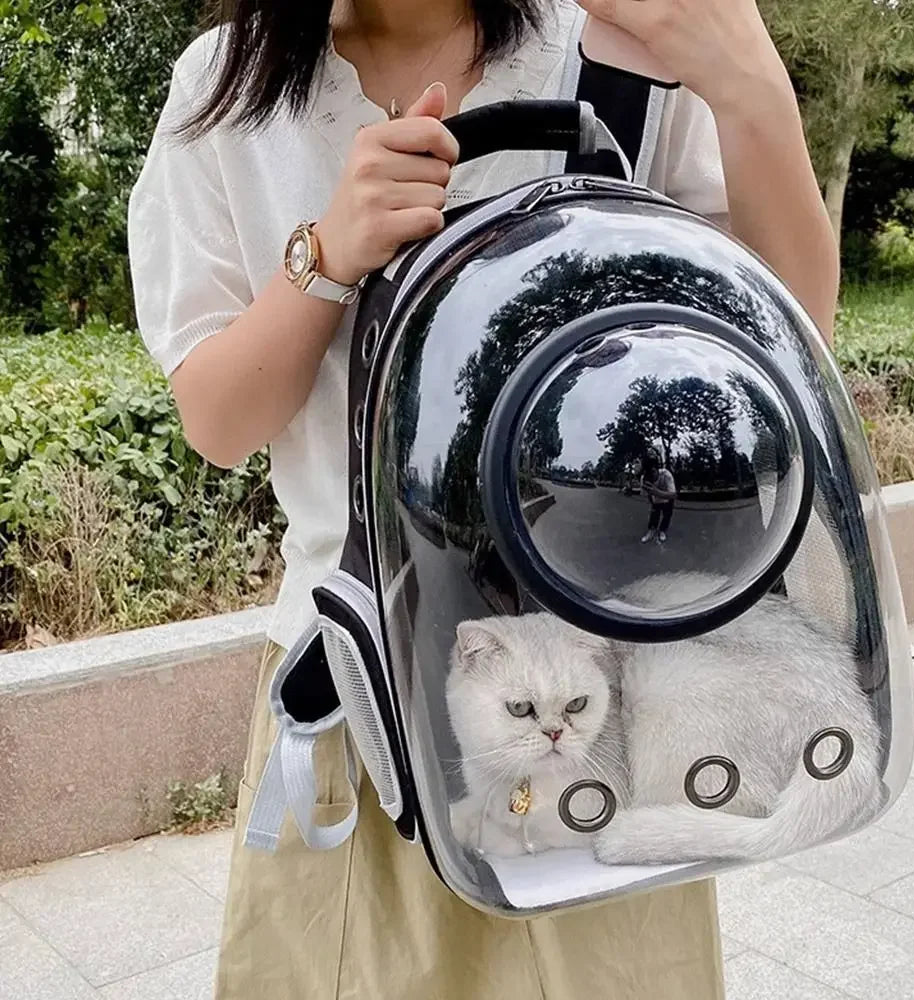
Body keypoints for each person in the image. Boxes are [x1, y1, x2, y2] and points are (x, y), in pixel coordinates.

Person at [127, 0, 839, 995]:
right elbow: (219, 422)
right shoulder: (226, 88)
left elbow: (790, 352)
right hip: (360, 700)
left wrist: (752, 89)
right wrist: (327, 254)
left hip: (603, 710)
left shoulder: (622, 44)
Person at [641, 456, 677, 544]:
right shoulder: (644, 479)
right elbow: (645, 495)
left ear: (657, 469)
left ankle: (662, 530)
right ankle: (651, 530)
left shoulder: (666, 474)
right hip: (656, 500)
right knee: (654, 515)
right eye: (648, 472)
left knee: (667, 515)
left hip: (668, 499)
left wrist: (656, 492)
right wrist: (651, 499)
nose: (652, 476)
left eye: (653, 472)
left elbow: (673, 495)